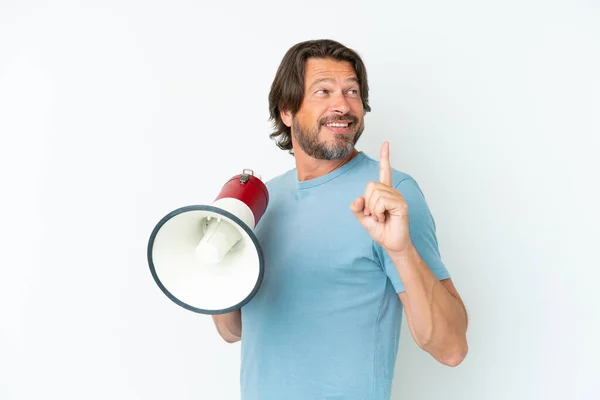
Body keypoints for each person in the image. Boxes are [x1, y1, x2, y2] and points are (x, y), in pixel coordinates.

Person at [212, 39, 469, 400]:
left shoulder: (390, 193)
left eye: (352, 91)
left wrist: (401, 250)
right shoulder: (263, 201)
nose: (342, 105)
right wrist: (215, 260)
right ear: (287, 110)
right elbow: (233, 329)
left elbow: (451, 347)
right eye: (323, 91)